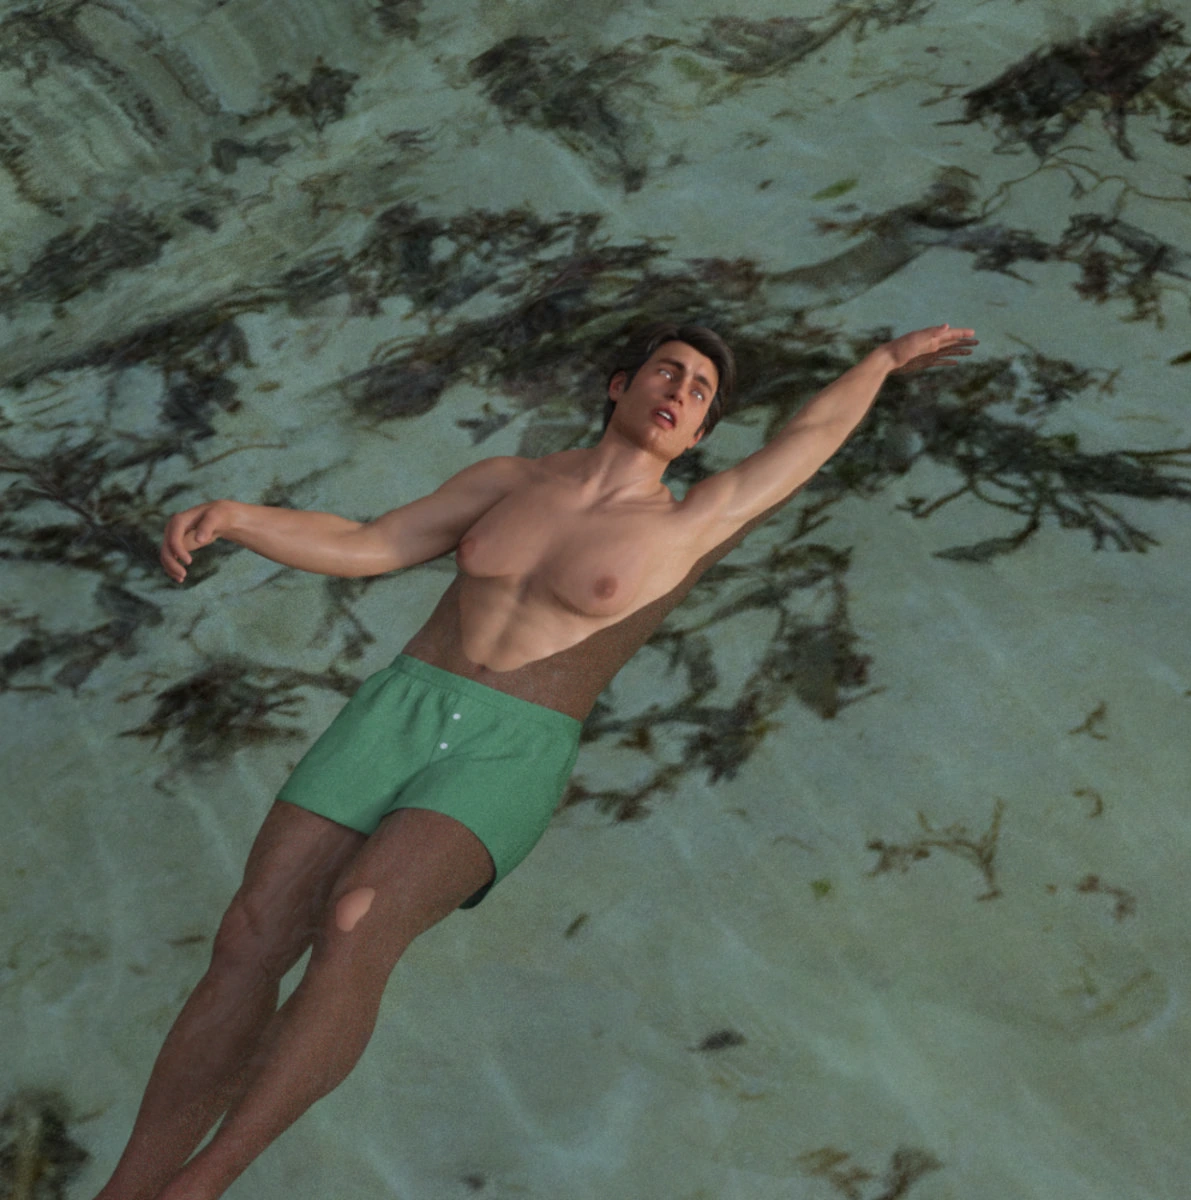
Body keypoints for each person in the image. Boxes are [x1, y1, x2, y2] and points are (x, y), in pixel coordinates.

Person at [99, 320, 975, 1200]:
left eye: (700, 393)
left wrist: (883, 361)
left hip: (512, 748)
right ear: (620, 385)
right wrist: (240, 518)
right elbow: (372, 543)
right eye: (668, 372)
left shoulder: (694, 521)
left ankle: (202, 1184)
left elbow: (808, 437)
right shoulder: (509, 482)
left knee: (357, 921)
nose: (679, 392)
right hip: (399, 708)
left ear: (699, 435)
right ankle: (126, 1188)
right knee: (250, 935)